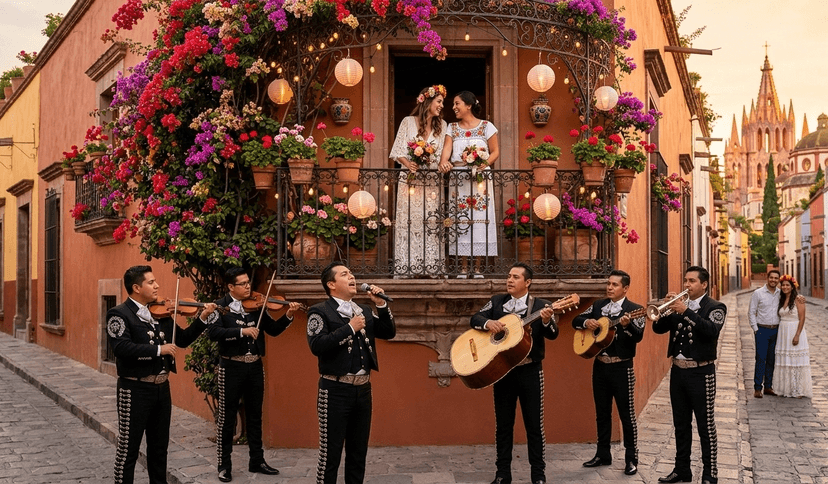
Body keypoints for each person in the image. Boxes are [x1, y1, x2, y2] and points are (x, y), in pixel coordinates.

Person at [106, 265, 217, 484]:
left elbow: (182, 339)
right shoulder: (119, 314)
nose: (157, 285)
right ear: (137, 287)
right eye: (151, 282)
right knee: (128, 449)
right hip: (134, 390)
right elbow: (121, 348)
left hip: (161, 390)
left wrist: (203, 318)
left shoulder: (160, 312)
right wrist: (159, 349)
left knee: (159, 448)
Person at [207, 267, 303, 482]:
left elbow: (274, 330)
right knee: (227, 417)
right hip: (230, 367)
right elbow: (214, 333)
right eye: (242, 284)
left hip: (254, 366)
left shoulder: (257, 307)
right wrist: (242, 332)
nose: (248, 286)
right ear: (231, 287)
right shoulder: (219, 307)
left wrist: (288, 315)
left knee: (255, 414)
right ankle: (224, 465)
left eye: (248, 282)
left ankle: (257, 460)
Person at [307, 262, 396, 484]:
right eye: (345, 274)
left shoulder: (363, 310)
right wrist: (349, 328)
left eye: (352, 273)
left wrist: (381, 306)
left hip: (363, 389)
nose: (352, 277)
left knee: (358, 453)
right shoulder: (319, 311)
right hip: (335, 390)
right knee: (331, 454)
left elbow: (388, 332)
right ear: (331, 284)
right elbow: (317, 345)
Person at [470, 262, 559, 484]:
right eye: (509, 276)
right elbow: (475, 319)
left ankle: (538, 475)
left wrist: (547, 321)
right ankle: (502, 474)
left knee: (534, 425)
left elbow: (554, 334)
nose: (510, 280)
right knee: (503, 425)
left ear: (527, 282)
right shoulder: (497, 301)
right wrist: (489, 322)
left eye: (515, 277)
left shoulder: (542, 305)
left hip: (530, 371)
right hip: (502, 372)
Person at [652, 266, 727, 484]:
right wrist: (664, 310)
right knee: (681, 424)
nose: (687, 285)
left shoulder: (716, 307)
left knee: (705, 425)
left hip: (701, 372)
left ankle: (710, 473)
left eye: (692, 281)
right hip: (678, 372)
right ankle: (682, 470)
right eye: (685, 280)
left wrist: (685, 311)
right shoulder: (677, 306)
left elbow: (711, 330)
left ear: (704, 284)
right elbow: (658, 329)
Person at [573, 269, 645, 476]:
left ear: (625, 288)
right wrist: (587, 322)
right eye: (609, 284)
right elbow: (575, 321)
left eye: (614, 285)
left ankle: (631, 459)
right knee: (602, 413)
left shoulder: (635, 309)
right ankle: (602, 454)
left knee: (627, 415)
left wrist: (628, 325)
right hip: (600, 366)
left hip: (622, 367)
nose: (609, 287)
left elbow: (638, 336)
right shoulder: (598, 306)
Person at [438, 90, 499, 277]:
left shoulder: (487, 126)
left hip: (480, 179)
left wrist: (483, 164)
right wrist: (443, 162)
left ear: (469, 105)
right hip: (460, 179)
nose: (454, 107)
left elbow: (495, 152)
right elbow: (446, 151)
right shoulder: (452, 128)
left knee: (480, 219)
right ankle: (464, 268)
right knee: (461, 219)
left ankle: (478, 268)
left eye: (457, 103)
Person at [389, 85, 448, 277]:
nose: (441, 105)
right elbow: (397, 151)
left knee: (431, 221)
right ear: (428, 101)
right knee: (410, 221)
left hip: (432, 183)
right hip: (410, 181)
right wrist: (409, 163)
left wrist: (437, 161)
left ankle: (432, 266)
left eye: (442, 102)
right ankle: (407, 266)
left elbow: (443, 155)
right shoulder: (408, 122)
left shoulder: (443, 126)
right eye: (439, 102)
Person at [773, 275, 813, 398]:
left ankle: (797, 389)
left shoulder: (798, 299)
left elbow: (802, 318)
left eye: (787, 285)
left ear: (792, 286)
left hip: (794, 330)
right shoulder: (781, 299)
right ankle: (785, 389)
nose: (785, 287)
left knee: (796, 361)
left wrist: (797, 335)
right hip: (783, 332)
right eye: (783, 285)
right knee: (785, 360)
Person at [748, 270, 781, 398]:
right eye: (771, 277)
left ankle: (768, 386)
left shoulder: (780, 293)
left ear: (778, 280)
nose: (773, 280)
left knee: (772, 360)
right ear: (767, 278)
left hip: (776, 330)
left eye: (776, 278)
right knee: (761, 359)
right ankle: (757, 388)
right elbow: (751, 312)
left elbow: (791, 299)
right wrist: (756, 329)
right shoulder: (758, 293)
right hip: (762, 330)